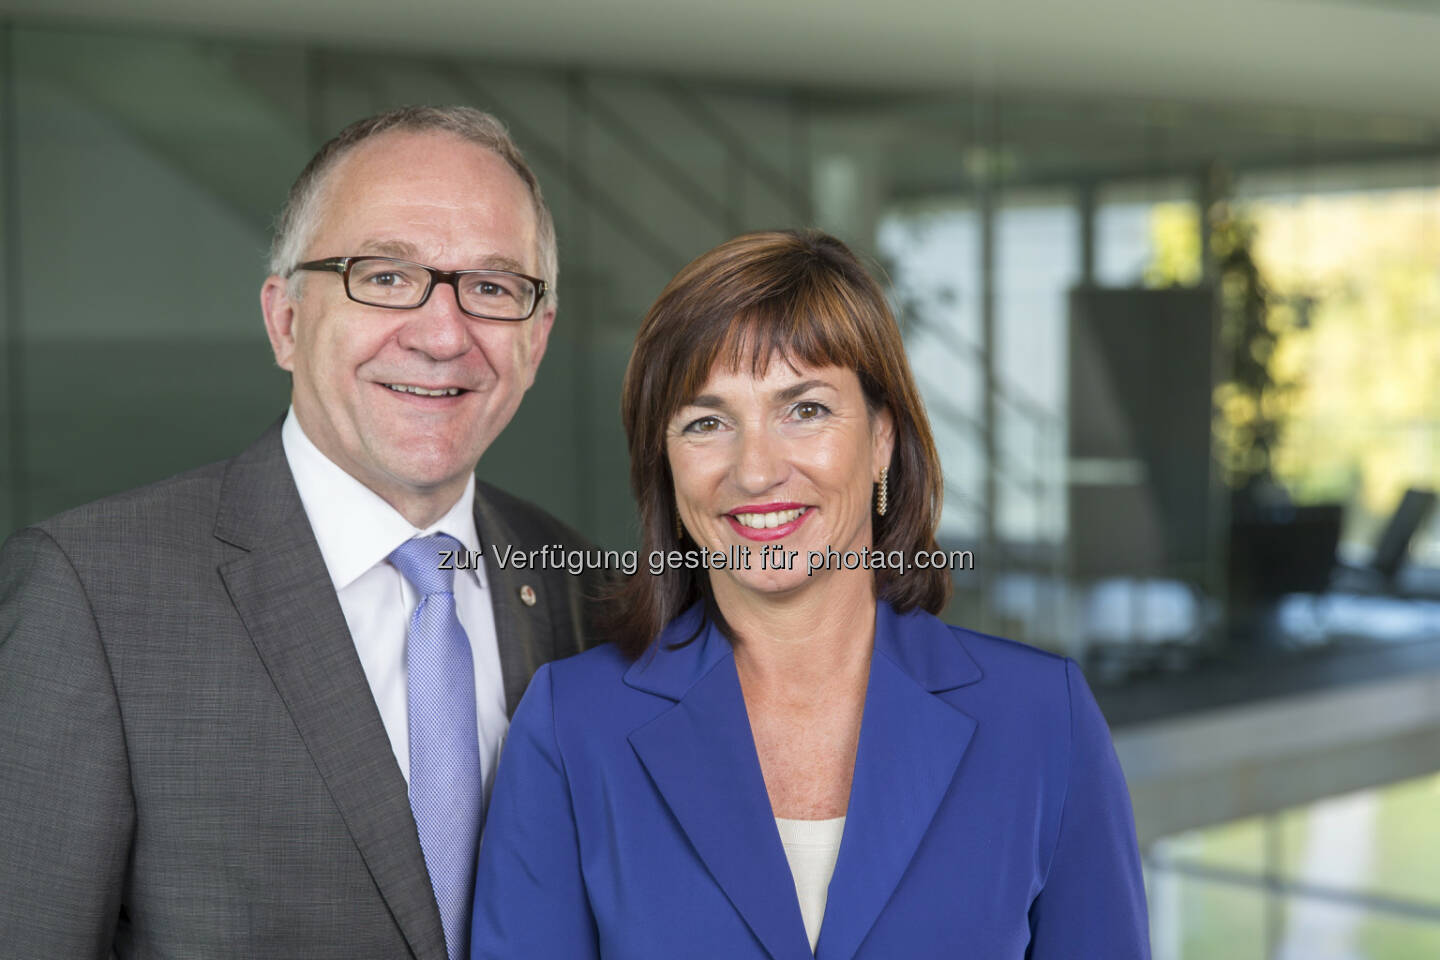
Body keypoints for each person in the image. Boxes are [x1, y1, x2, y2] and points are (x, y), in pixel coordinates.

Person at [0, 106, 604, 960]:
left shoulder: (587, 592)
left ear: (536, 342)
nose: (442, 334)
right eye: (385, 276)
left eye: (493, 287)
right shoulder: (91, 595)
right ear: (285, 320)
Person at [472, 229, 1150, 958]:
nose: (756, 470)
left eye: (806, 410)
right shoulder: (572, 727)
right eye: (706, 422)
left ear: (883, 438)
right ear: (664, 468)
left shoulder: (1044, 720)